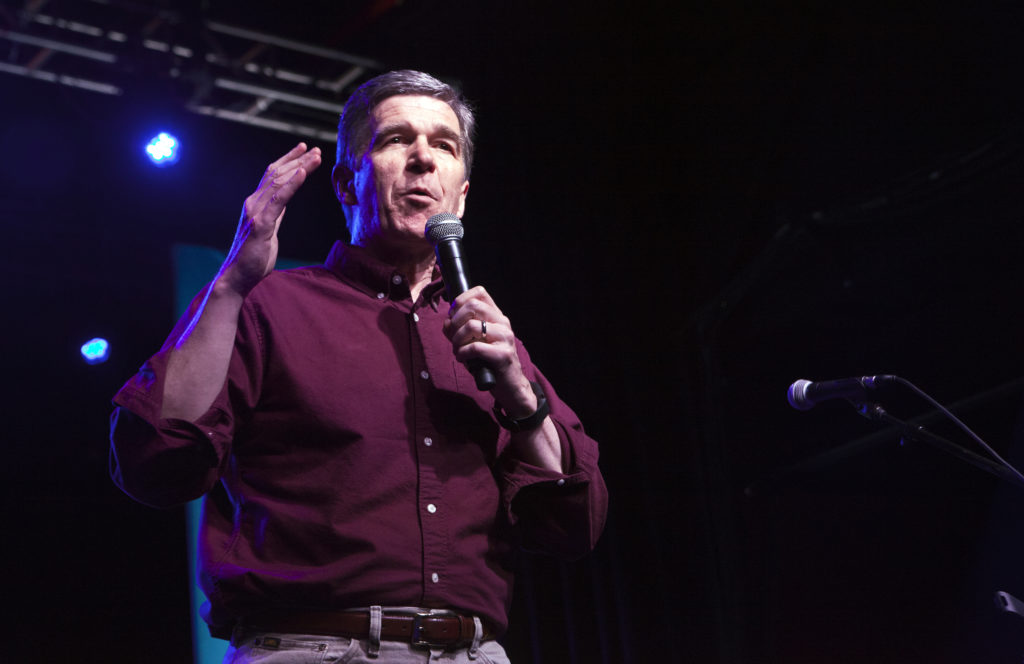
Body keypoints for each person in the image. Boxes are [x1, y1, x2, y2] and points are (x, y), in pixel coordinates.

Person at [109, 69, 608, 663]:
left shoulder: (488, 335)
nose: (424, 159)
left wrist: (524, 405)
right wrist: (231, 285)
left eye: (444, 145)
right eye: (397, 139)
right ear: (347, 182)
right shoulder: (269, 303)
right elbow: (153, 463)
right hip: (312, 646)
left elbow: (575, 525)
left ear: (462, 194)